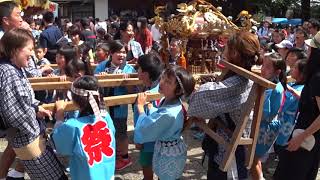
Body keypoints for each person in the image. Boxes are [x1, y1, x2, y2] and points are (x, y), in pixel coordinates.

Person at [187, 31, 261, 179]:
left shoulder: (238, 83)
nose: (223, 51)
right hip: (226, 144)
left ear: (234, 53)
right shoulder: (239, 77)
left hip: (230, 152)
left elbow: (197, 102)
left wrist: (201, 87)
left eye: (226, 47)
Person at [0, 28, 67, 180]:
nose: (32, 54)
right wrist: (34, 124)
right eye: (29, 49)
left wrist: (37, 107)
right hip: (27, 137)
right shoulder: (8, 71)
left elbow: (26, 100)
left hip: (30, 135)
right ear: (16, 49)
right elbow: (13, 113)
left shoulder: (16, 68)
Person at [273, 31, 320, 180]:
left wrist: (300, 138)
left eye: (311, 48)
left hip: (305, 140)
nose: (308, 51)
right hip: (311, 140)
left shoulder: (318, 78)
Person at [135, 65, 195, 179]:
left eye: (168, 82)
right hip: (171, 149)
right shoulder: (170, 101)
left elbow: (147, 127)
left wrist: (140, 108)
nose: (162, 82)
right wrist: (152, 108)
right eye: (163, 78)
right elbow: (159, 116)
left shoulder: (169, 113)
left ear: (178, 91)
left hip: (169, 155)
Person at [52, 76, 116, 180]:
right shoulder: (105, 118)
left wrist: (59, 115)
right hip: (107, 174)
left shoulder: (72, 126)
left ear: (75, 100)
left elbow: (60, 146)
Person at [94, 40, 136, 170]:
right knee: (104, 131)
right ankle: (108, 155)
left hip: (120, 107)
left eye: (124, 52)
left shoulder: (129, 69)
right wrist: (100, 79)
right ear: (111, 53)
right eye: (118, 52)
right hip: (102, 107)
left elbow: (132, 92)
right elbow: (94, 87)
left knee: (121, 132)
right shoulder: (102, 66)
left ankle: (124, 157)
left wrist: (126, 81)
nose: (122, 55)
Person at [252, 52, 287, 180]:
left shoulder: (275, 88)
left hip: (265, 128)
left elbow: (266, 113)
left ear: (277, 72)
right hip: (262, 125)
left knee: (252, 160)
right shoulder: (266, 84)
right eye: (263, 65)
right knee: (255, 159)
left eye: (267, 67)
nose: (262, 69)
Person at [133, 54, 164, 180]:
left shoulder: (148, 95)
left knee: (147, 165)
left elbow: (143, 120)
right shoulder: (161, 87)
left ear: (145, 73)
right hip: (162, 140)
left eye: (138, 68)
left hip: (148, 141)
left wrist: (139, 139)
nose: (137, 71)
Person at [275, 60, 306, 149]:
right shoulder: (292, 84)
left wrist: (288, 89)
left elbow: (285, 103)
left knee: (281, 148)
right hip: (281, 120)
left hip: (288, 123)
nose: (292, 69)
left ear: (302, 73)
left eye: (295, 68)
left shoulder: (302, 88)